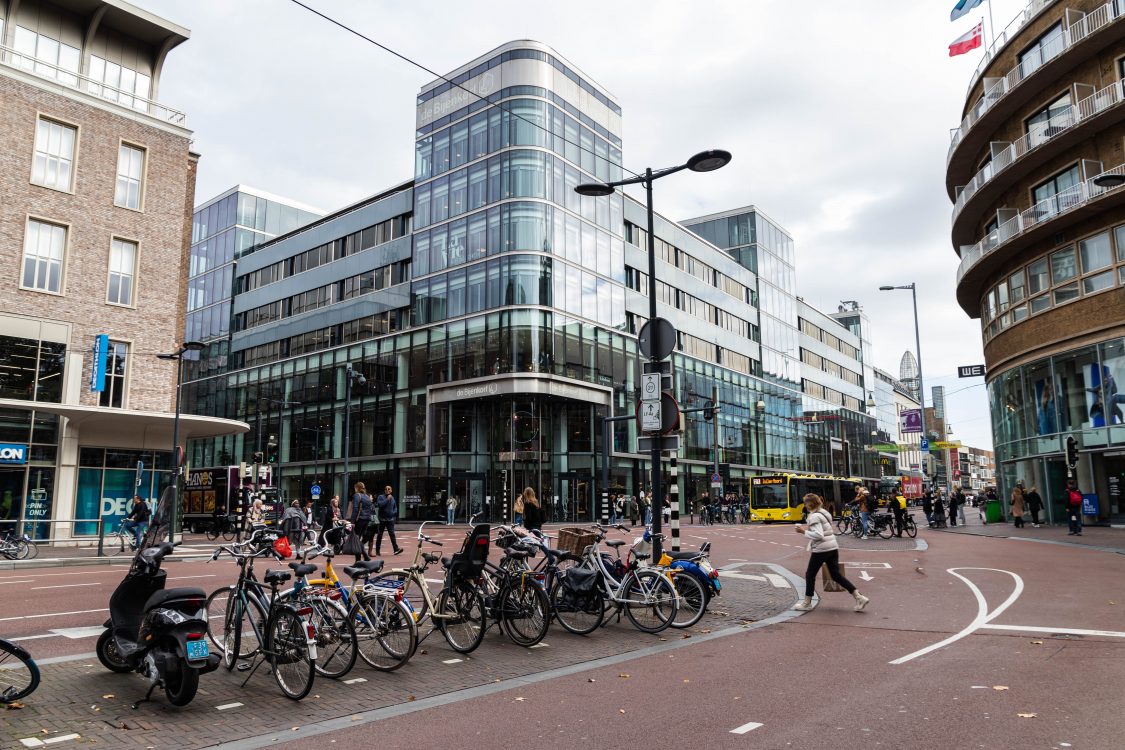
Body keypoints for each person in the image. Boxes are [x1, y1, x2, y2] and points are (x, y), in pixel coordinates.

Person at [793, 493, 869, 612]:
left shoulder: (814, 516)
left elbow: (819, 535)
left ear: (810, 504)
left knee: (810, 575)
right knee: (835, 575)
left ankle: (807, 603)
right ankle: (859, 597)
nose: (804, 505)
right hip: (832, 547)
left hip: (821, 549)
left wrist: (803, 532)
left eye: (805, 503)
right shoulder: (824, 512)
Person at [348, 482, 374, 563]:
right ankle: (365, 557)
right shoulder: (367, 496)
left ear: (357, 488)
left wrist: (352, 521)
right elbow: (370, 508)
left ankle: (359, 560)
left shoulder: (357, 495)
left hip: (359, 519)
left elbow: (355, 509)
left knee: (356, 540)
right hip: (366, 519)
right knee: (358, 540)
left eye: (355, 488)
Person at [375, 484, 403, 556]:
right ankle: (377, 550)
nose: (387, 490)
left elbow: (395, 507)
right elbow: (380, 505)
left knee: (392, 534)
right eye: (386, 489)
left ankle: (396, 549)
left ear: (391, 490)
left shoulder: (392, 498)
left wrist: (393, 513)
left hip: (390, 520)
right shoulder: (381, 497)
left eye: (389, 489)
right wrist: (387, 499)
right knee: (380, 535)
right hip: (382, 519)